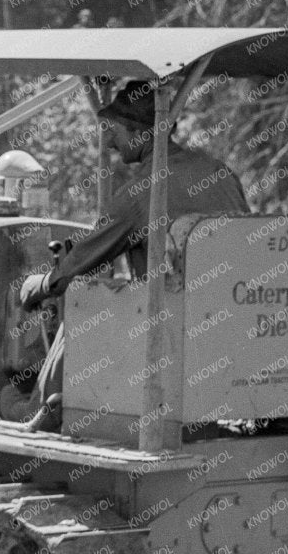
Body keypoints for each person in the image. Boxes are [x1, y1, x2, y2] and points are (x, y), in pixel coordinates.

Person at [18, 81, 248, 431]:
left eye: (115, 132)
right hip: (231, 319)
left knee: (85, 301)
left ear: (142, 134)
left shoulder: (143, 192)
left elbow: (81, 262)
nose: (109, 143)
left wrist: (42, 285)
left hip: (171, 335)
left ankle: (32, 406)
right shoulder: (221, 172)